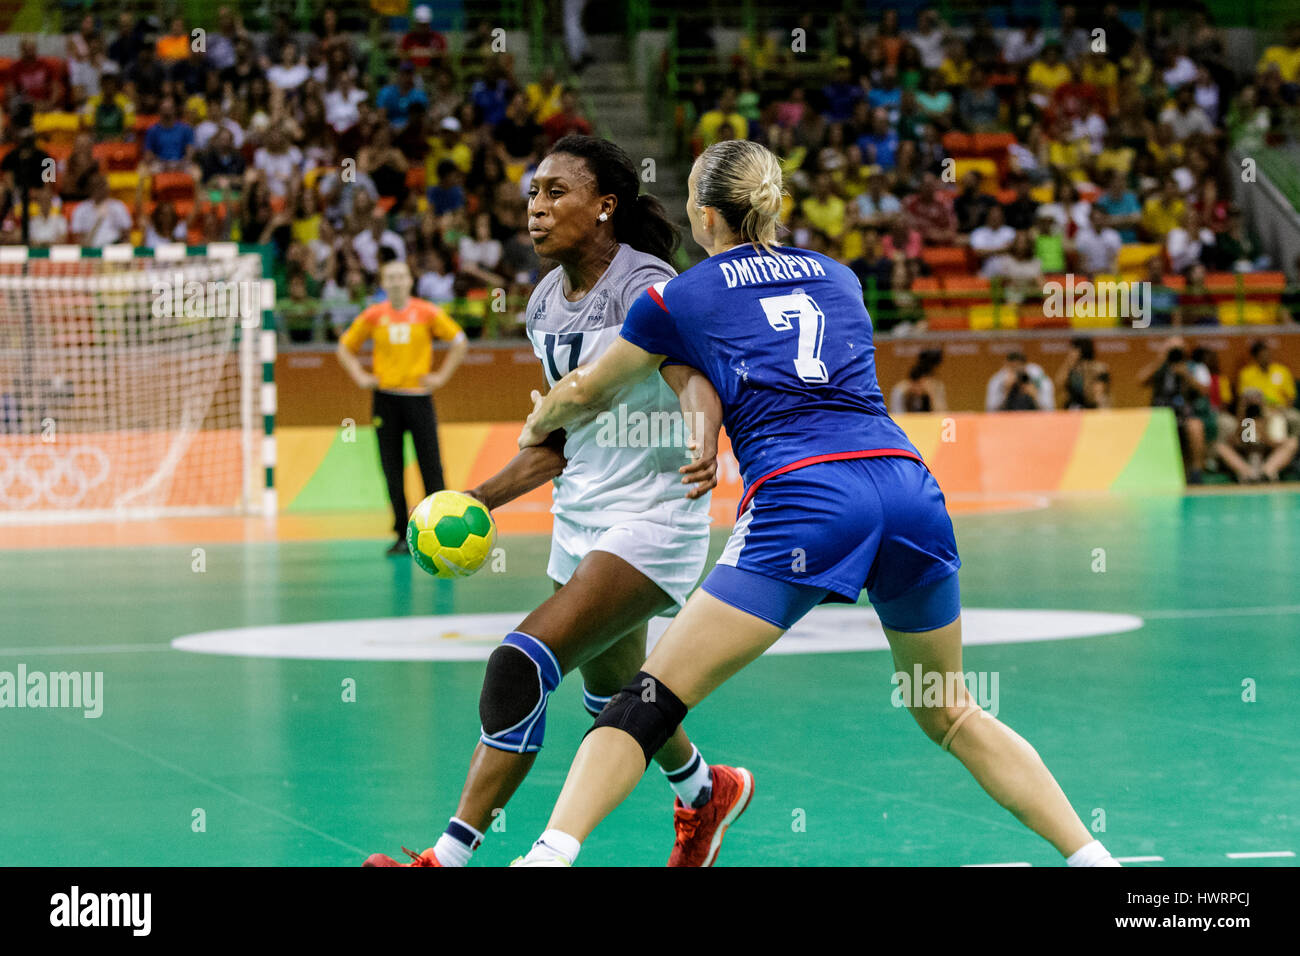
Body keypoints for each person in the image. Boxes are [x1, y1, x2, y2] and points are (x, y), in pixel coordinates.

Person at [511, 139, 1118, 868]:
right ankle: (1094, 861)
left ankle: (545, 856)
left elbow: (587, 389)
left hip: (806, 500)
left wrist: (541, 418)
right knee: (950, 709)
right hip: (907, 488)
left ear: (705, 216)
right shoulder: (841, 277)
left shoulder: (680, 295)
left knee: (648, 701)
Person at [362, 136, 751, 869]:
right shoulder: (543, 303)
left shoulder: (648, 285)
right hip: (580, 518)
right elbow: (558, 438)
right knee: (615, 699)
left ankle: (446, 857)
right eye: (531, 196)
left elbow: (690, 377)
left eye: (554, 194)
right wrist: (476, 497)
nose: (535, 210)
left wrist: (706, 431)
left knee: (520, 661)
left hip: (654, 517)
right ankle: (709, 792)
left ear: (605, 206)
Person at [336, 258, 469, 553]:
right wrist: (359, 375)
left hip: (419, 400)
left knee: (431, 467)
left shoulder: (426, 312)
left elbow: (460, 340)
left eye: (401, 276)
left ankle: (440, 532)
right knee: (392, 469)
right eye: (390, 277)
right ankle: (401, 534)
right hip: (385, 400)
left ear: (410, 280)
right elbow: (345, 346)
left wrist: (441, 376)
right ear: (383, 283)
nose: (396, 281)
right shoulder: (373, 315)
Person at [986, 350, 1054, 412]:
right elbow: (990, 410)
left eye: (1018, 368)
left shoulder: (1038, 377)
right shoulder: (998, 380)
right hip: (1006, 419)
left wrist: (1035, 396)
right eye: (1012, 369)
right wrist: (1006, 392)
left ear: (1025, 366)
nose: (1016, 373)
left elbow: (1050, 409)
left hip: (1034, 420)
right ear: (1006, 366)